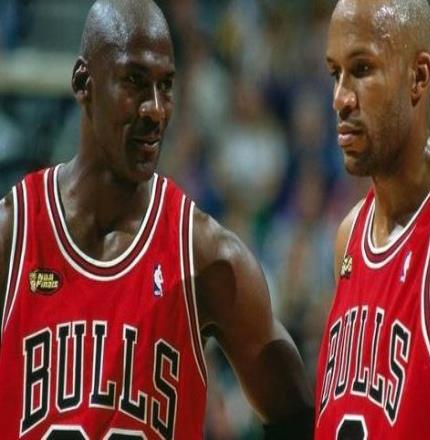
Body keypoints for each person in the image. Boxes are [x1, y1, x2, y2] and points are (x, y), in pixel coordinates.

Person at [0, 1, 314, 439]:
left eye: (165, 86)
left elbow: (297, 418)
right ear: (83, 82)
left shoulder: (205, 254)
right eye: (134, 81)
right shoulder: (14, 234)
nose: (154, 109)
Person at [315, 0, 430, 438]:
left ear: (418, 76)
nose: (340, 98)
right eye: (335, 73)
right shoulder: (349, 236)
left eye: (361, 69)